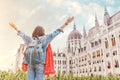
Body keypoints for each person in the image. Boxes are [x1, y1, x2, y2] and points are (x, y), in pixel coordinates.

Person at [9, 16, 74, 80]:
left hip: (30, 63)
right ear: (43, 32)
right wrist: (66, 23)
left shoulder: (30, 39)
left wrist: (14, 27)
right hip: (40, 63)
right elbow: (56, 32)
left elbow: (22, 34)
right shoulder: (45, 38)